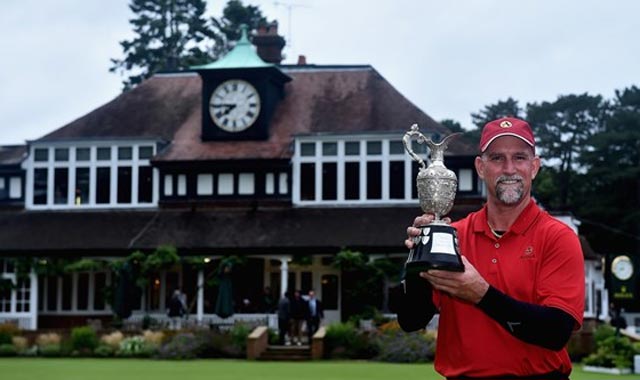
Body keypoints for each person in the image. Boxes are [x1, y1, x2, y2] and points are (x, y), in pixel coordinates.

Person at [396, 117, 585, 379]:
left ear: (534, 167)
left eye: (519, 157)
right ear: (480, 167)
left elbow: (555, 332)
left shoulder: (558, 237)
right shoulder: (454, 235)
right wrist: (418, 256)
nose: (509, 169)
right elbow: (411, 320)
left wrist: (481, 294)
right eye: (497, 158)